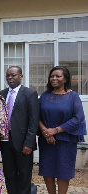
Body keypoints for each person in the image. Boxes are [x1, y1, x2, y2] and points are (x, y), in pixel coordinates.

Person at [38, 66, 87, 194]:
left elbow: (78, 118)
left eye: (58, 76)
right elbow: (36, 116)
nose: (54, 78)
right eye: (52, 76)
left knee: (63, 172)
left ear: (65, 79)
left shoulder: (73, 96)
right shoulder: (44, 95)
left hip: (66, 140)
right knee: (47, 171)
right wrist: (46, 132)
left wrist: (56, 130)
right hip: (46, 140)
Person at [0, 66, 39, 194]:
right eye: (8, 76)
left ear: (21, 76)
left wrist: (29, 143)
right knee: (9, 174)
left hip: (23, 143)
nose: (10, 78)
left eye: (13, 75)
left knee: (24, 175)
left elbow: (33, 121)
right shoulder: (1, 94)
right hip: (5, 142)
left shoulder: (30, 94)